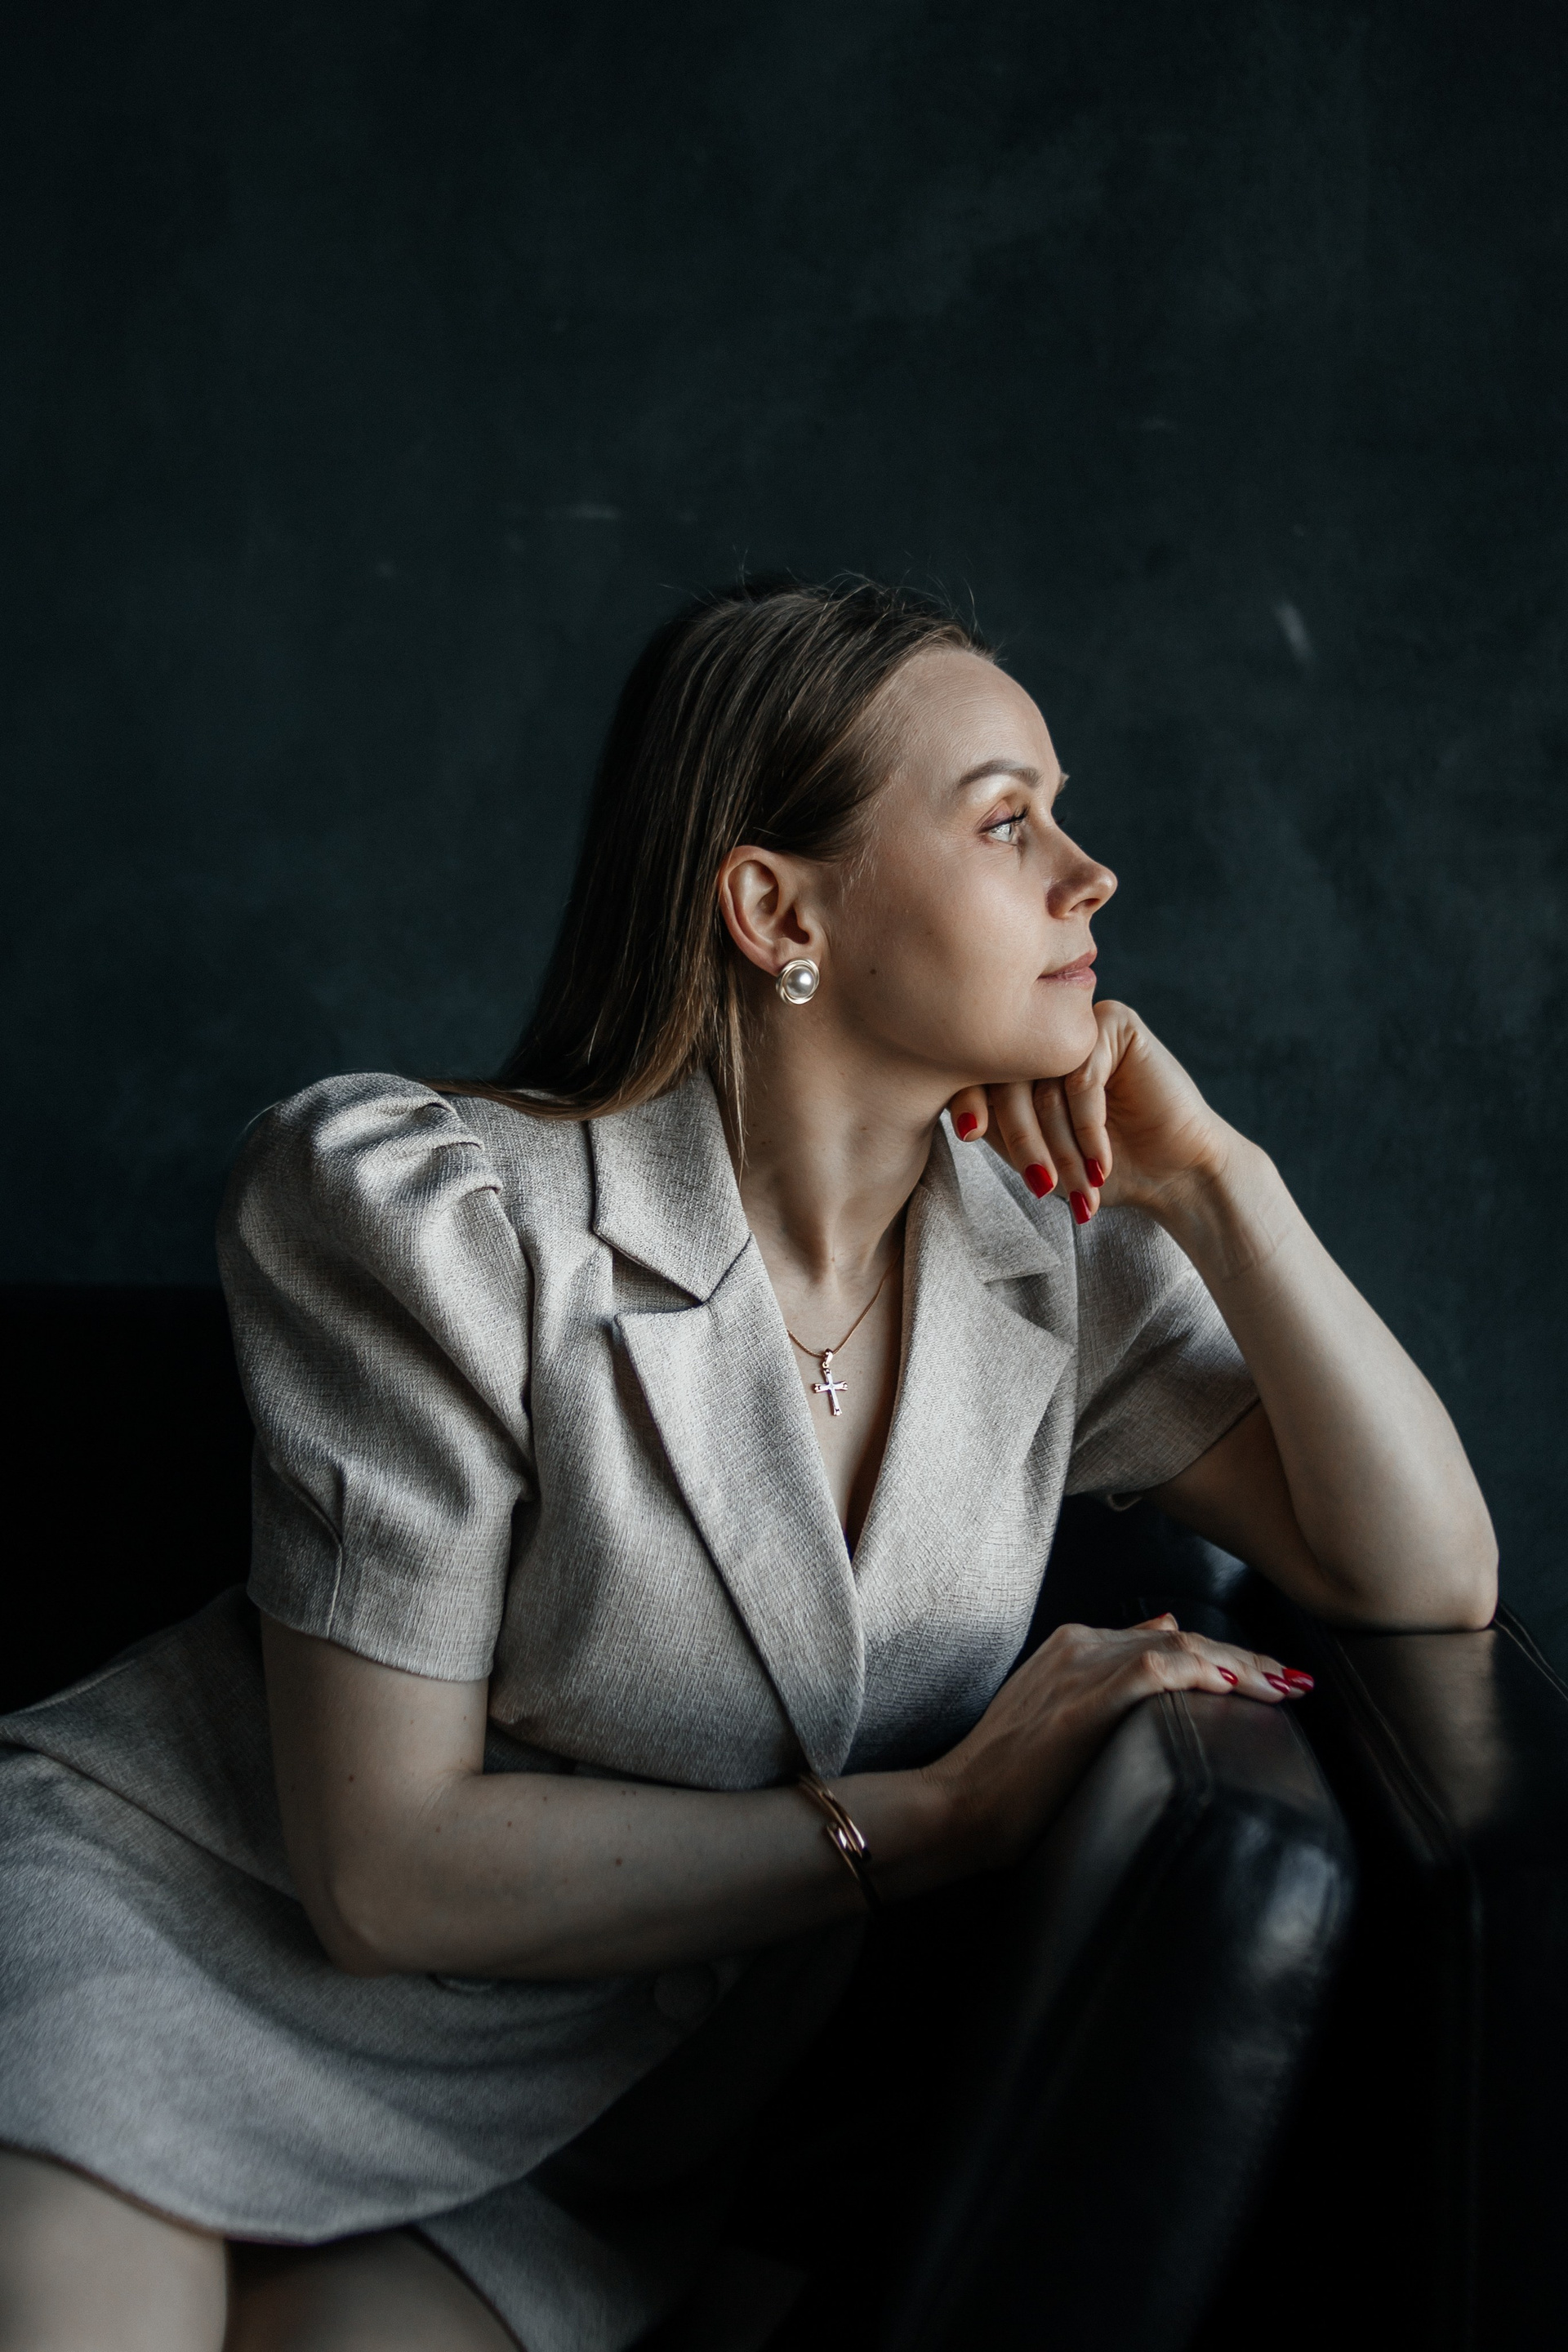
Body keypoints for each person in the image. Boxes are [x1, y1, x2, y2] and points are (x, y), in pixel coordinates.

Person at [0, 579, 1496, 2352]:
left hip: (583, 2118)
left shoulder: (1050, 1269)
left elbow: (1427, 1572)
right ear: (777, 908)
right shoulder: (439, 1220)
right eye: (1006, 820)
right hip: (179, 1952)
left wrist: (1220, 1183)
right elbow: (385, 1870)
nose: (1090, 876)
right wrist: (938, 1819)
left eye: (1062, 817)